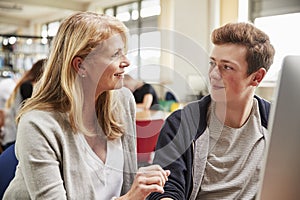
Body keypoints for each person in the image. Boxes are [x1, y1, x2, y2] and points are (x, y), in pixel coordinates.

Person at [3, 12, 170, 200]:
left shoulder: (122, 101)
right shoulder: (37, 125)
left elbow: (125, 186)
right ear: (81, 66)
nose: (126, 62)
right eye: (116, 54)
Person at [147, 22, 275, 200]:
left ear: (256, 77)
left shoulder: (276, 123)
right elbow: (163, 189)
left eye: (226, 67)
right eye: (212, 63)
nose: (214, 74)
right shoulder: (181, 124)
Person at [0, 59, 45, 151]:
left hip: (13, 136)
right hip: (14, 137)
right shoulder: (27, 87)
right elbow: (25, 114)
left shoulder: (25, 84)